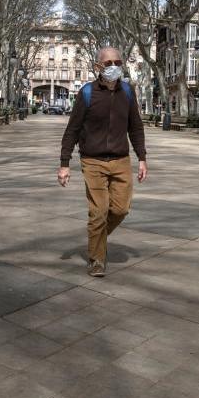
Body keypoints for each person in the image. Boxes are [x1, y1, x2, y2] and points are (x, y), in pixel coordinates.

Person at [58, 47, 148, 277]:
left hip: (121, 160)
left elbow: (135, 127)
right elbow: (72, 130)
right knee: (98, 212)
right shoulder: (87, 93)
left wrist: (142, 158)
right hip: (93, 161)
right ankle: (97, 259)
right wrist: (64, 163)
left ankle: (96, 239)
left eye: (117, 62)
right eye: (108, 63)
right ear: (98, 67)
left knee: (120, 209)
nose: (114, 66)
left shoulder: (127, 92)